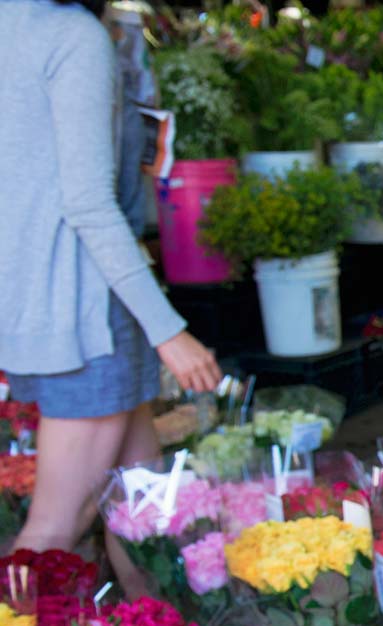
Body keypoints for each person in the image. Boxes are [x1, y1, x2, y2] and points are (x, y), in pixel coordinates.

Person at [0, 0, 223, 554]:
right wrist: (168, 332)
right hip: (85, 307)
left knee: (143, 516)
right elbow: (90, 205)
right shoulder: (71, 35)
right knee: (53, 534)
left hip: (45, 296)